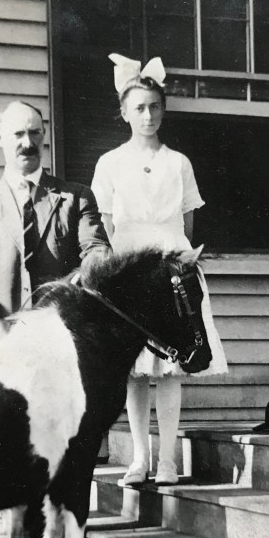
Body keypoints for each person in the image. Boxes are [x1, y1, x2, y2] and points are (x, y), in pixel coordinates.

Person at [0, 100, 110, 538]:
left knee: (70, 443)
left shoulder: (75, 197)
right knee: (18, 441)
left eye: (35, 133)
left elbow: (97, 253)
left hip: (63, 343)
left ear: (45, 137)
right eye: (17, 134)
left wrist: (62, 308)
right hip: (4, 348)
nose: (27, 143)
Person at [91, 54, 228, 486]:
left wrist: (176, 257)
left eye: (154, 107)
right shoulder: (110, 163)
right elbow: (106, 224)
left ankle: (167, 459)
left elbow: (187, 222)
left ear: (163, 110)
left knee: (171, 366)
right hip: (132, 265)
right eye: (139, 108)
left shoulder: (178, 162)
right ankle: (139, 458)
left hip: (171, 262)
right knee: (136, 370)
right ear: (125, 113)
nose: (148, 115)